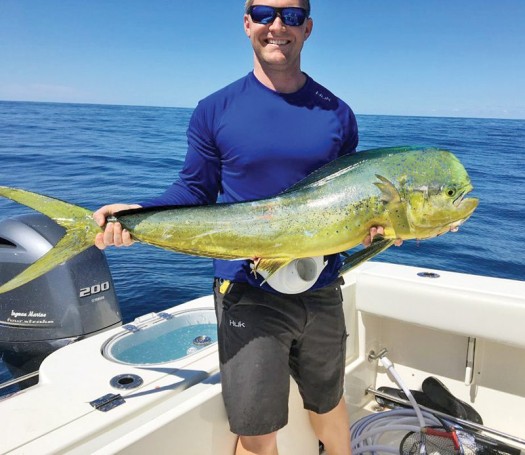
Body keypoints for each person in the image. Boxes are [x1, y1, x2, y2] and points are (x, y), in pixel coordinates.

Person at [94, 2, 395, 454]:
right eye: (265, 13)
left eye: (291, 16)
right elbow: (194, 189)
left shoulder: (338, 113)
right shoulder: (215, 109)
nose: (278, 26)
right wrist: (140, 213)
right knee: (256, 434)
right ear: (247, 23)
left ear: (308, 28)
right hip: (247, 291)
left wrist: (381, 226)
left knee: (329, 404)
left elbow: (349, 200)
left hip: (321, 285)